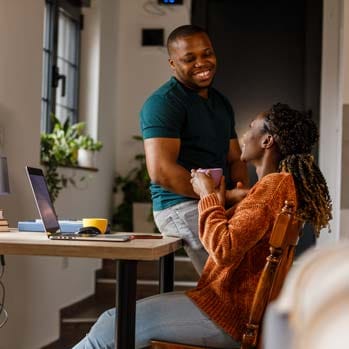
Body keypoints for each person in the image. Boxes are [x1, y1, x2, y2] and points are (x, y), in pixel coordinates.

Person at [72, 103, 332, 349]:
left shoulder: (272, 187)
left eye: (251, 127)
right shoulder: (277, 186)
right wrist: (218, 201)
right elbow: (239, 238)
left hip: (225, 317)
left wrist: (207, 196)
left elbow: (223, 248)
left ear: (267, 141)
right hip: (225, 309)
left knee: (112, 325)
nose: (244, 134)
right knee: (113, 321)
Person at [140, 24, 248, 274]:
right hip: (178, 204)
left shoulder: (221, 102)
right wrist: (219, 198)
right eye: (189, 58)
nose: (202, 62)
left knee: (255, 252)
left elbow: (235, 158)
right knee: (231, 273)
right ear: (172, 63)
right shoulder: (163, 104)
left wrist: (239, 191)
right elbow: (161, 171)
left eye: (207, 54)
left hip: (216, 199)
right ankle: (223, 310)